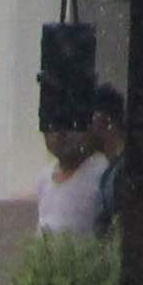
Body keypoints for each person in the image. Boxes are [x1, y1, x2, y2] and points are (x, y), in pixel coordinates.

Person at [35, 93, 125, 236]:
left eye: (69, 126)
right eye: (52, 126)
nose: (59, 135)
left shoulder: (102, 172)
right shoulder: (44, 177)